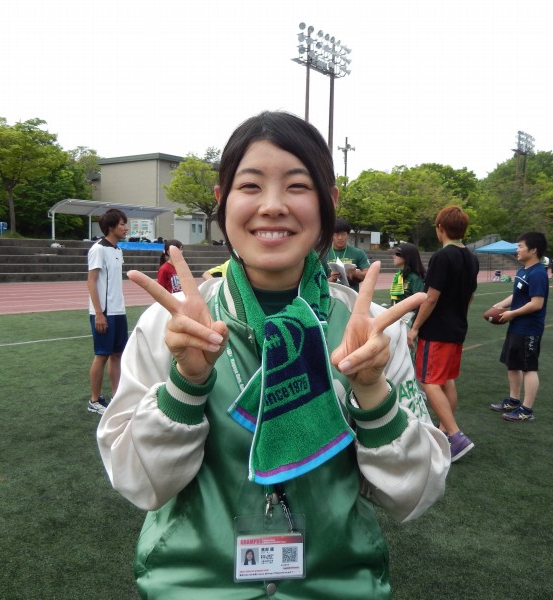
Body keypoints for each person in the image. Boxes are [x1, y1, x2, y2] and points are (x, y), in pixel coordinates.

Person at [97, 111, 449, 600]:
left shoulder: (371, 331)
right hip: (194, 588)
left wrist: (372, 391)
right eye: (250, 186)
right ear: (222, 200)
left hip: (335, 587)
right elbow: (139, 483)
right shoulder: (169, 325)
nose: (273, 206)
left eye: (297, 186)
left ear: (328, 203)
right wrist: (185, 385)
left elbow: (415, 493)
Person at [408, 206, 479, 462]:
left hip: (437, 331)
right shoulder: (472, 258)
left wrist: (415, 327)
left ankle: (455, 436)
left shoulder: (441, 257)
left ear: (440, 228)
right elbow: (470, 295)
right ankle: (444, 432)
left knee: (428, 381)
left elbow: (431, 297)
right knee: (447, 380)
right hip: (457, 328)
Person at [489, 232, 549, 422]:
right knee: (513, 363)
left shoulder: (538, 273)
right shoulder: (523, 270)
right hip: (517, 326)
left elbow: (536, 303)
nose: (517, 250)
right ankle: (513, 401)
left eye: (521, 246)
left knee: (529, 368)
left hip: (529, 328)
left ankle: (526, 410)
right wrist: (500, 305)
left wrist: (512, 313)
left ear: (534, 250)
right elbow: (517, 295)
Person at [87, 209, 129, 414]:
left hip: (118, 311)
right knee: (102, 355)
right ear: (111, 227)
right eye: (122, 224)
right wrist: (99, 313)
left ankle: (116, 396)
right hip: (103, 312)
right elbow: (91, 281)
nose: (126, 228)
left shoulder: (118, 250)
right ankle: (94, 400)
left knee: (117, 355)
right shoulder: (98, 249)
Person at [324, 217, 370, 292]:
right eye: (336, 234)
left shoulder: (358, 253)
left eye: (343, 234)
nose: (340, 238)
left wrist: (355, 274)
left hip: (351, 296)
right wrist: (331, 279)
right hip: (330, 296)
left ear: (347, 235)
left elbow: (368, 274)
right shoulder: (323, 254)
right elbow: (317, 282)